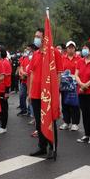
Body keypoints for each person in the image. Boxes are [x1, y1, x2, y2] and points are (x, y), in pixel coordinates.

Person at [28, 28, 62, 158]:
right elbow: (32, 74)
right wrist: (30, 93)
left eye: (38, 36)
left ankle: (52, 147)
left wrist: (55, 92)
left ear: (45, 38)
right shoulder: (35, 54)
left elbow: (58, 74)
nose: (36, 38)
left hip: (48, 94)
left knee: (49, 121)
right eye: (35, 36)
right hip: (36, 94)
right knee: (38, 121)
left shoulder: (54, 53)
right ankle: (41, 147)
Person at [60, 41, 81, 131]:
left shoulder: (79, 59)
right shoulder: (62, 58)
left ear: (75, 48)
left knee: (75, 104)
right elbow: (60, 70)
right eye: (69, 47)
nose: (70, 49)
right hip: (64, 85)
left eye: (72, 47)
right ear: (66, 49)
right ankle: (66, 122)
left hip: (75, 85)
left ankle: (75, 123)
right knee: (65, 103)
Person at [0, 46, 11, 134]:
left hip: (3, 89)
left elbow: (7, 79)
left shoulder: (6, 63)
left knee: (4, 108)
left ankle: (3, 126)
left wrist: (6, 91)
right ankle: (0, 124)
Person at [17, 45, 32, 116]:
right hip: (24, 81)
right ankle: (23, 110)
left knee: (30, 97)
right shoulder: (25, 58)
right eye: (27, 50)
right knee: (22, 95)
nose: (27, 51)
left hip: (31, 81)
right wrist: (23, 73)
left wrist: (28, 74)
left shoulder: (34, 58)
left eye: (29, 50)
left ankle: (30, 111)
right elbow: (21, 67)